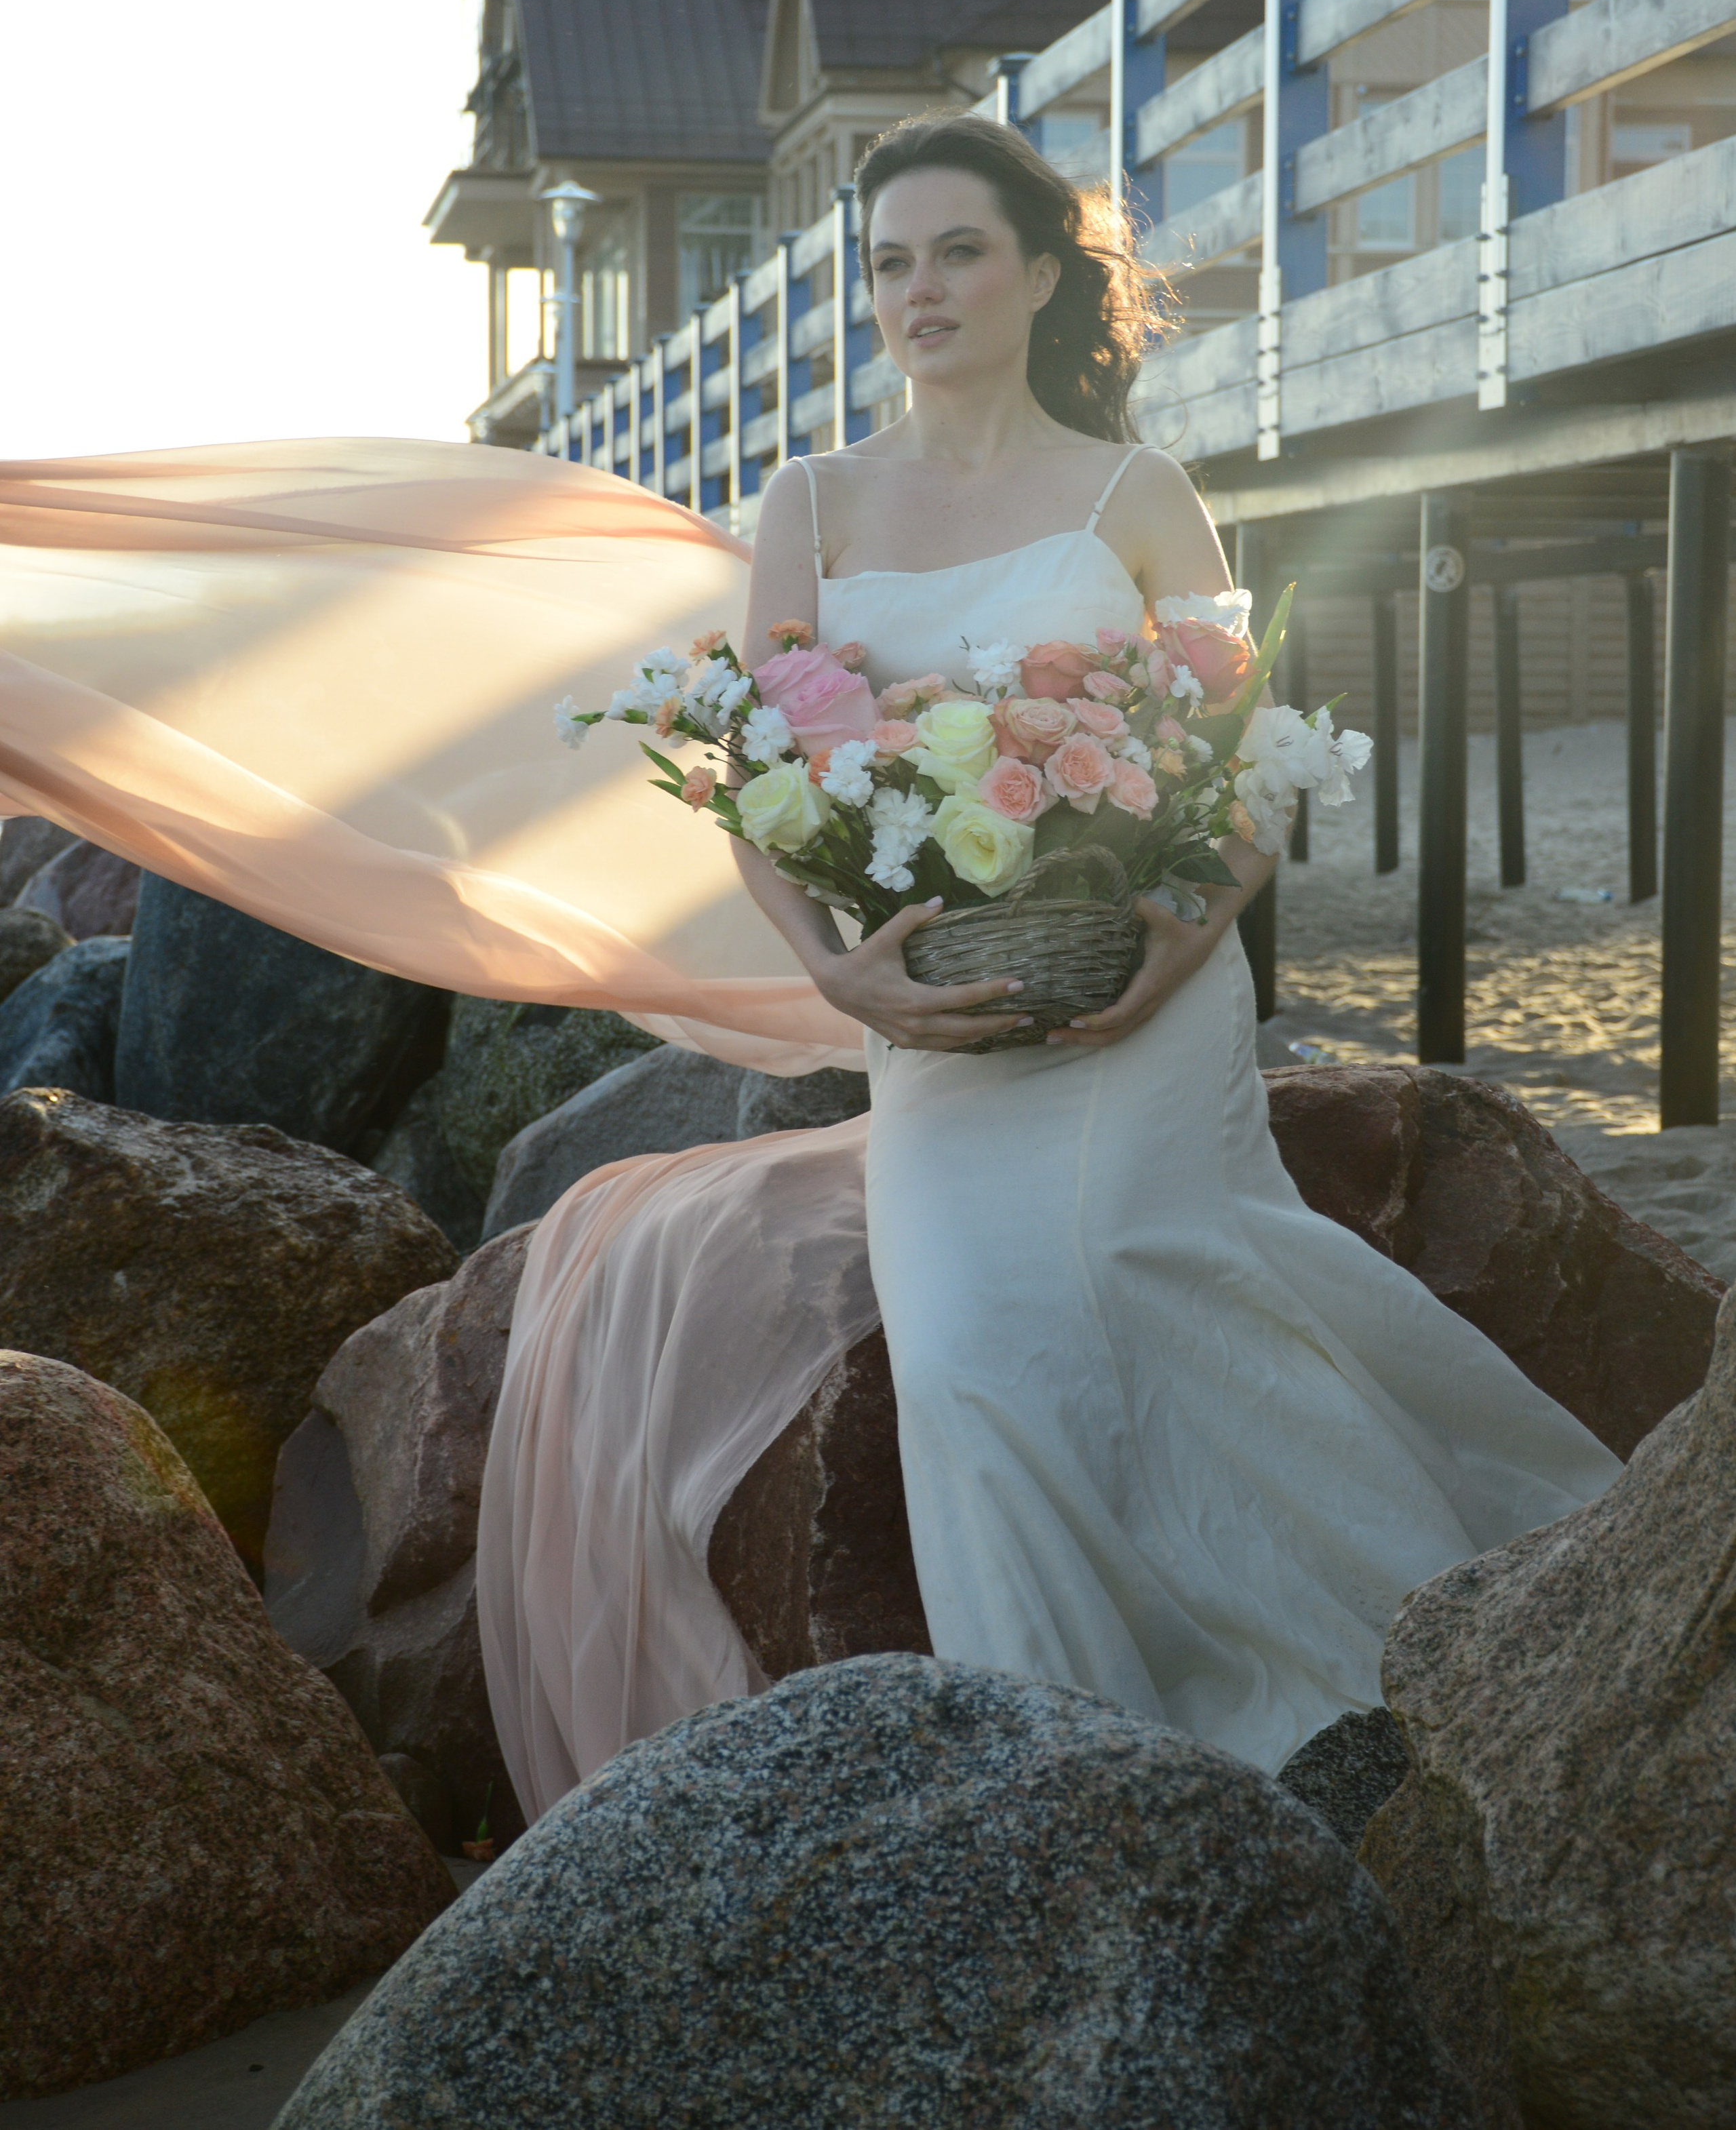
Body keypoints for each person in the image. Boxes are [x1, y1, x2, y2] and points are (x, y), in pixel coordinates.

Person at [475, 115, 1620, 1813]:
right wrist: (838, 981)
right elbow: (750, 777)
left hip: (1139, 1003)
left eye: (954, 253)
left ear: (1033, 273)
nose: (916, 292)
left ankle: (1380, 1681)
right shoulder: (811, 500)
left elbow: (1242, 773)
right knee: (964, 1360)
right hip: (936, 1020)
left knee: (1142, 1264)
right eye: (886, 263)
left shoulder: (1133, 493)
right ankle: (1082, 1781)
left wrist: (1171, 955)